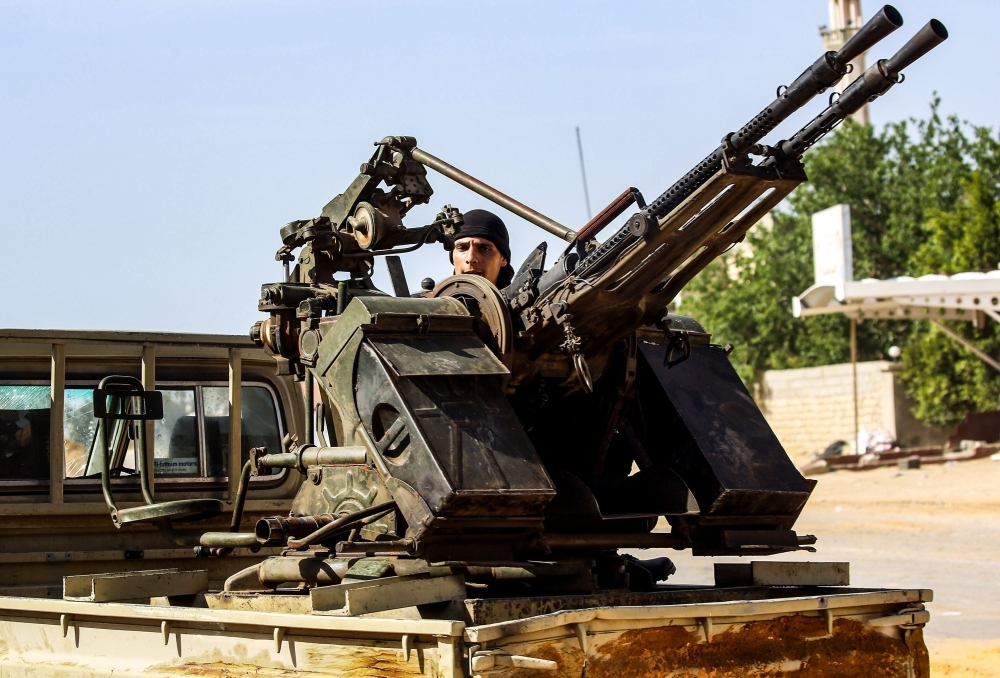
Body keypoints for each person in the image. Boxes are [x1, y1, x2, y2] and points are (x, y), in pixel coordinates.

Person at [450, 209, 515, 288]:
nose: (471, 259)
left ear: (503, 259)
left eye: (484, 249)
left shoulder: (524, 299)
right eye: (462, 248)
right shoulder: (434, 298)